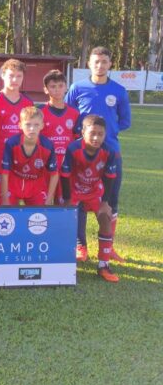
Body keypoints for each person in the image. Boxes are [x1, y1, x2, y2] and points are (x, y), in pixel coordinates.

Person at [66, 46, 131, 263]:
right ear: (89, 64)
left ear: (110, 64)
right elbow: (70, 115)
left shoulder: (119, 90)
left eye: (104, 61)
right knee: (79, 197)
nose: (100, 65)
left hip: (111, 152)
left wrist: (106, 135)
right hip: (82, 156)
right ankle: (80, 246)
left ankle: (108, 247)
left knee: (111, 199)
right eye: (96, 61)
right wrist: (84, 136)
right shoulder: (78, 87)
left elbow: (125, 121)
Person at [60, 115, 120, 282]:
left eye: (100, 134)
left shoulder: (109, 151)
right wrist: (66, 199)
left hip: (95, 191)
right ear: (82, 132)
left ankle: (103, 265)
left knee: (105, 218)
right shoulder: (73, 148)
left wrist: (105, 203)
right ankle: (62, 260)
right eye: (92, 133)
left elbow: (109, 177)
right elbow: (64, 175)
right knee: (63, 219)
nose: (96, 138)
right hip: (74, 190)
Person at [0, 59, 34, 202]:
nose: (15, 79)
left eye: (19, 76)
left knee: (17, 197)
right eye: (11, 75)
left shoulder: (28, 103)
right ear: (3, 75)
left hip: (20, 159)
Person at [0, 107, 58, 206]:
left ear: (42, 126)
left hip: (36, 186)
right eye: (28, 124)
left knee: (41, 217)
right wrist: (5, 198)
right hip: (13, 184)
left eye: (36, 125)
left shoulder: (48, 146)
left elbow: (54, 174)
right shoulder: (12, 143)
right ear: (20, 125)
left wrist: (49, 199)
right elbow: (4, 172)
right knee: (6, 214)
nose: (32, 128)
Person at [40, 69, 80, 205]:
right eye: (52, 86)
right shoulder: (40, 112)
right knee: (43, 202)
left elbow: (77, 139)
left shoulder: (74, 113)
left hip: (66, 164)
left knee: (64, 203)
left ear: (66, 87)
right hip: (45, 165)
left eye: (60, 86)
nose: (57, 90)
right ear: (46, 89)